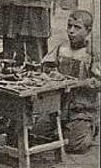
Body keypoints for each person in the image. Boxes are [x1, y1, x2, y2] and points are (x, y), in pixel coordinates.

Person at [38, 9, 100, 153]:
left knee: (76, 145)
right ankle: (62, 131)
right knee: (35, 135)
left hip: (81, 110)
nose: (71, 31)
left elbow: (98, 82)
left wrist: (86, 83)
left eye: (77, 27)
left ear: (88, 31)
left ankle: (91, 127)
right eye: (69, 26)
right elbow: (46, 67)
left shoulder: (93, 54)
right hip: (57, 107)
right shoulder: (62, 47)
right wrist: (51, 74)